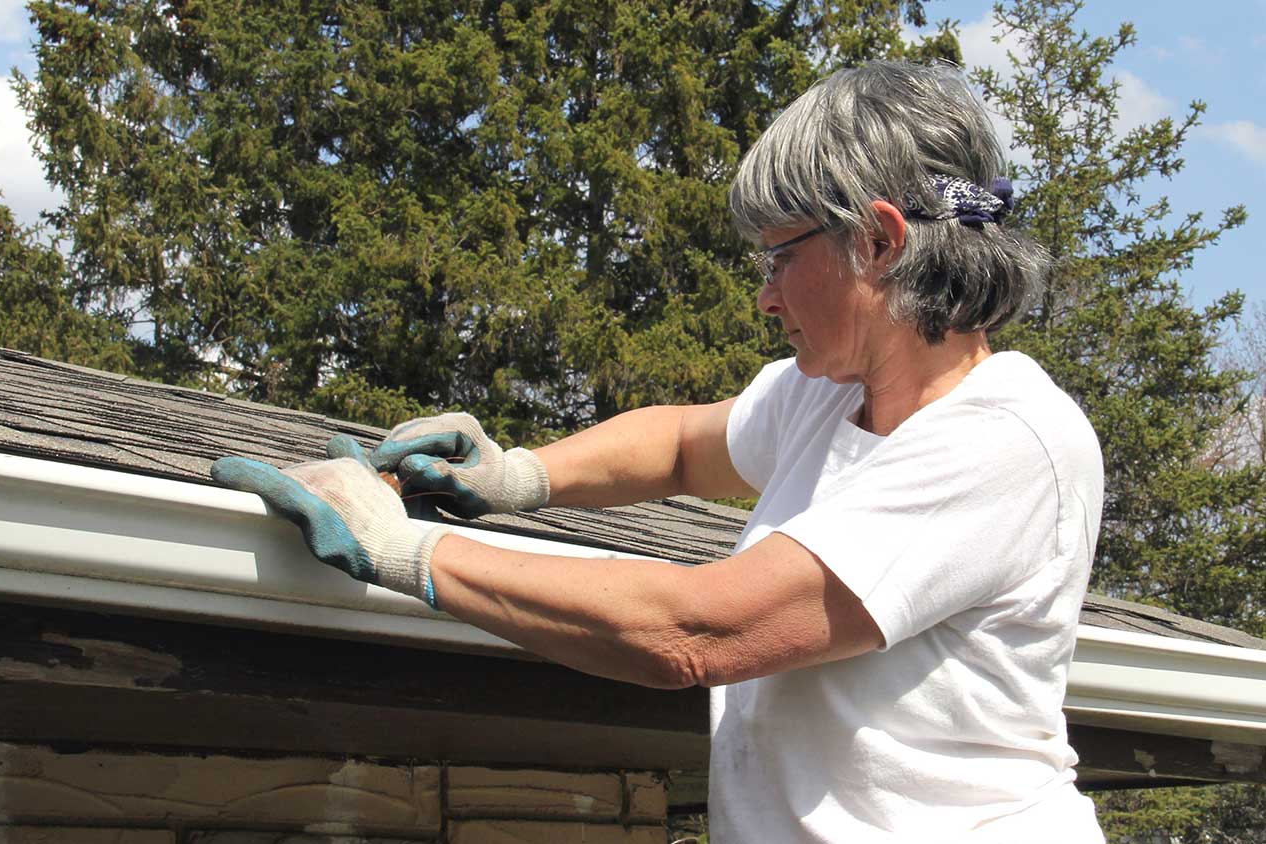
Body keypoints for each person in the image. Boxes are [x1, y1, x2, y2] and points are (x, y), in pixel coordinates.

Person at [213, 60, 1105, 842]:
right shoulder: (829, 397)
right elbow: (680, 444)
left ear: (877, 241)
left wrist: (407, 550)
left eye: (778, 258)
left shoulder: (1004, 439)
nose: (765, 297)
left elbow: (698, 629)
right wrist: (521, 474)